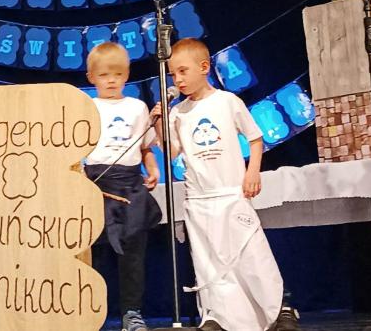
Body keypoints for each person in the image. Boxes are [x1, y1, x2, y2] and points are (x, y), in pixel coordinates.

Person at [152, 37, 300, 331]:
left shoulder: (227, 102)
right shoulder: (177, 113)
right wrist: (158, 122)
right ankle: (218, 316)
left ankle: (278, 309)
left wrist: (252, 172)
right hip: (199, 198)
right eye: (173, 74)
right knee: (209, 261)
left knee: (251, 254)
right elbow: (172, 151)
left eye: (183, 71)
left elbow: (255, 138)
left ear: (204, 67)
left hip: (230, 193)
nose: (177, 79)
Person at [83, 41, 162, 331]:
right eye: (104, 75)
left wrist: (153, 169)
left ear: (126, 75)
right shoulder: (86, 107)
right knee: (94, 254)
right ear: (92, 77)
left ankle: (132, 312)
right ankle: (89, 312)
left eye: (117, 74)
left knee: (133, 255)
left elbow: (145, 146)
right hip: (95, 184)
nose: (111, 81)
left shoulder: (137, 107)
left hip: (130, 185)